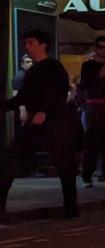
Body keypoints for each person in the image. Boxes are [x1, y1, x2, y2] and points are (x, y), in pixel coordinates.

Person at [0, 30, 78, 219]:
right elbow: (23, 97)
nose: (27, 47)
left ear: (42, 45)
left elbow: (59, 94)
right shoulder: (33, 71)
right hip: (36, 123)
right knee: (8, 159)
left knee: (64, 164)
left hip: (54, 123)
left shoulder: (55, 68)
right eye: (26, 43)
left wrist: (45, 111)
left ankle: (70, 207)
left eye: (30, 43)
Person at [77, 36, 105, 187]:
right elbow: (84, 86)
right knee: (91, 143)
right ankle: (87, 176)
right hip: (94, 108)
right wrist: (99, 76)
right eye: (100, 47)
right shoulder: (88, 66)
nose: (103, 50)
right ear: (96, 48)